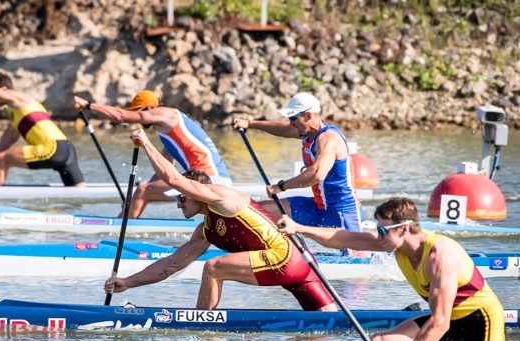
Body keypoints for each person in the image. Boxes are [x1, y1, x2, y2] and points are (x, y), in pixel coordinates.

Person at [104, 128, 337, 312]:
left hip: (286, 259)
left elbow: (174, 178)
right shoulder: (206, 230)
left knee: (214, 267)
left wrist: (146, 144)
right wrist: (128, 282)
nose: (179, 204)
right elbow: (171, 265)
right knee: (327, 326)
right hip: (301, 263)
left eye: (182, 198)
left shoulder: (224, 197)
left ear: (197, 192)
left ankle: (203, 328)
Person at [277, 197, 506, 341]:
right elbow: (341, 238)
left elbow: (440, 323)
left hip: (482, 320)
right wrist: (298, 228)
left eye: (384, 231)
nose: (379, 237)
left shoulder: (439, 256)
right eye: (378, 231)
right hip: (447, 319)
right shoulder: (395, 244)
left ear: (404, 228)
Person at [74, 90, 231, 218]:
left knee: (143, 191)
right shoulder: (170, 134)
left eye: (137, 112)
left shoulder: (168, 114)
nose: (137, 118)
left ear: (149, 109)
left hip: (210, 179)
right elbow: (164, 170)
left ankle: (117, 233)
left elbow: (120, 116)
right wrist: (135, 197)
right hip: (215, 180)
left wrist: (88, 105)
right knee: (143, 191)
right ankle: (126, 221)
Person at [232, 92, 361, 233]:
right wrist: (250, 124)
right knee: (258, 211)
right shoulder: (306, 132)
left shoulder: (329, 139)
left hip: (341, 211)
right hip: (317, 207)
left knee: (353, 256)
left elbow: (317, 174)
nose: (291, 123)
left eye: (293, 118)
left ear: (309, 115)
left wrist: (281, 186)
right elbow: (283, 129)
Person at [0, 58, 85, 187]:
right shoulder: (19, 115)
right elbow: (1, 147)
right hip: (66, 150)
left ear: (3, 90)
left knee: (3, 159)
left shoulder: (17, 98)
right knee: (78, 195)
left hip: (52, 149)